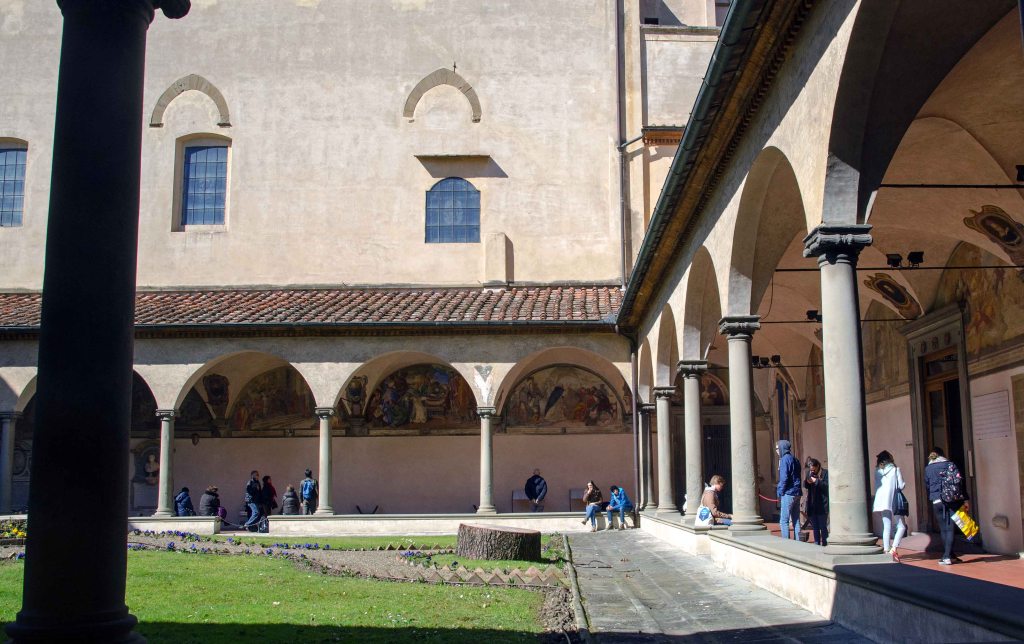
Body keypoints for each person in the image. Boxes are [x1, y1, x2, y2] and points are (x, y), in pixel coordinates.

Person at [924, 447, 968, 565]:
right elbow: (960, 482)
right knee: (950, 529)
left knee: (943, 529)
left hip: (936, 501)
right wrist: (965, 500)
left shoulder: (928, 468)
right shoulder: (950, 464)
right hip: (951, 500)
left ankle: (950, 555)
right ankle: (947, 556)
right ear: (942, 454)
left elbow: (927, 485)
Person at [873, 450, 906, 561]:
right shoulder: (895, 469)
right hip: (894, 501)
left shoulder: (877, 471)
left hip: (882, 502)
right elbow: (901, 486)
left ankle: (886, 549)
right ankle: (894, 548)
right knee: (901, 526)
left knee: (886, 526)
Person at [776, 440, 802, 540]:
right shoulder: (795, 459)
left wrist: (780, 491)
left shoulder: (784, 460)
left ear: (782, 448)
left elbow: (784, 478)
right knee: (796, 520)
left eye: (777, 448)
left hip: (788, 492)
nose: (777, 451)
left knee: (784, 521)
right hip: (797, 492)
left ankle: (786, 543)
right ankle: (798, 542)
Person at [804, 459, 828, 546]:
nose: (812, 471)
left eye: (813, 470)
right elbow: (805, 485)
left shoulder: (825, 473)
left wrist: (817, 481)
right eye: (811, 470)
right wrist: (807, 481)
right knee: (815, 527)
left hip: (822, 505)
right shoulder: (809, 473)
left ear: (818, 466)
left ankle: (825, 543)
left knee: (823, 526)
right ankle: (816, 543)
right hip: (812, 504)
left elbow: (827, 487)